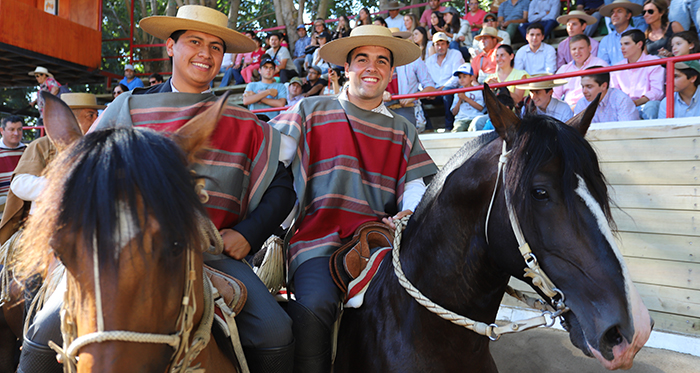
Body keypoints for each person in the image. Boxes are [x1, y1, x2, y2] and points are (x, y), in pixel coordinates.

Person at [89, 7, 297, 373]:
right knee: (46, 325)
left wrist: (247, 235)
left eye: (216, 47)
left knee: (276, 330)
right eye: (194, 42)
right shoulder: (128, 109)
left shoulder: (247, 123)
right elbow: (84, 174)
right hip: (128, 257)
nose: (206, 53)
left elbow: (283, 190)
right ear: (170, 47)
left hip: (213, 254)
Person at [269, 24, 438, 373]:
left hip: (382, 242)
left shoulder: (403, 128)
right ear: (346, 68)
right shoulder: (309, 111)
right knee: (315, 305)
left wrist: (407, 212)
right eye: (362, 59)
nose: (371, 68)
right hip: (318, 239)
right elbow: (270, 163)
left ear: (391, 73)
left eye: (381, 61)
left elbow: (416, 187)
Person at [386, 28, 437, 131]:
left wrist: (413, 97)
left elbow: (431, 88)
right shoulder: (378, 62)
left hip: (408, 108)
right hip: (383, 110)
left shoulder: (414, 60)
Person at [610, 29, 665, 119]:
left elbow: (657, 92)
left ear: (639, 44)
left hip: (645, 105)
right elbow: (615, 94)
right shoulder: (616, 67)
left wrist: (635, 103)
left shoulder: (653, 61)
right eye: (621, 44)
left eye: (626, 44)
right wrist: (627, 105)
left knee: (652, 106)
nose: (622, 48)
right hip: (624, 107)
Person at [553, 35, 608, 108]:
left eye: (581, 48)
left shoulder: (600, 65)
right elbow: (555, 96)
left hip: (593, 107)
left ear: (590, 48)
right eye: (574, 49)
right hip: (568, 109)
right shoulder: (564, 69)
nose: (577, 52)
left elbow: (606, 92)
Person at [426, 32, 465, 130]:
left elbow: (456, 78)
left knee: (447, 91)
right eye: (437, 44)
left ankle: (449, 126)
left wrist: (440, 89)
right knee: (417, 95)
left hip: (449, 90)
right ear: (434, 46)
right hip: (434, 91)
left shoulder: (455, 54)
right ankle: (428, 127)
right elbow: (425, 79)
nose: (440, 47)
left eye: (443, 44)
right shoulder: (429, 60)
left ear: (448, 44)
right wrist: (429, 90)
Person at [575, 67, 640, 122]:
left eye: (589, 87)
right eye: (583, 86)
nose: (584, 91)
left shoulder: (621, 100)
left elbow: (627, 131)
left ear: (604, 86)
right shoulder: (581, 103)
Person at [599, 0, 642, 64]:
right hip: (612, 73)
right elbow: (602, 65)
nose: (614, 15)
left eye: (619, 11)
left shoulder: (638, 35)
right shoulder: (606, 40)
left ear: (628, 15)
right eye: (612, 13)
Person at [0, 116, 26, 217]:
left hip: (22, 206)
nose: (16, 133)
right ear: (2, 131)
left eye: (19, 129)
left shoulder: (27, 151)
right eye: (12, 129)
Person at [450, 63, 484, 131]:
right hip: (461, 119)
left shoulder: (477, 90)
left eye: (464, 76)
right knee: (457, 130)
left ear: (471, 77)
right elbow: (454, 112)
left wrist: (465, 98)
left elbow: (480, 108)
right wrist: (460, 99)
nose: (462, 79)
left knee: (474, 129)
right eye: (460, 77)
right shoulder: (458, 92)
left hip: (475, 118)